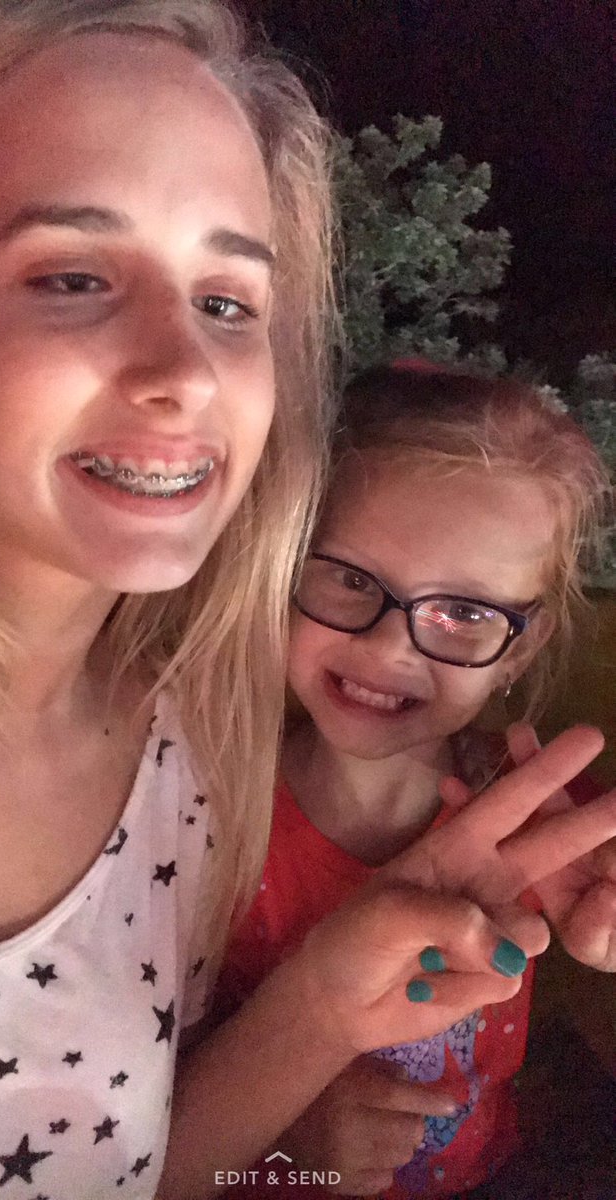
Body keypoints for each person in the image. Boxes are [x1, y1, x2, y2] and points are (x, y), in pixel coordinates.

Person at [0, 6, 603, 1199]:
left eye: (228, 302)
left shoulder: (181, 754)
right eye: (72, 276)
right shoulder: (226, 779)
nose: (186, 372)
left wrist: (322, 1005)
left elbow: (128, 1171)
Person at [218, 365, 616, 1198]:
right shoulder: (203, 819)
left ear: (520, 650)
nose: (390, 648)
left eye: (464, 613)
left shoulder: (540, 822)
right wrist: (286, 1139)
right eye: (353, 580)